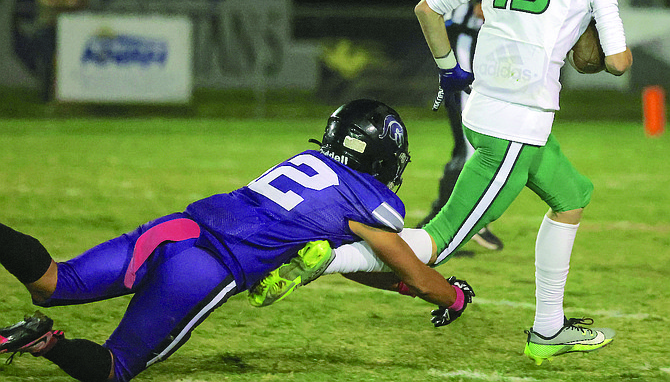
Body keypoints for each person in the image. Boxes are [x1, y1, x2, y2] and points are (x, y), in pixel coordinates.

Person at [251, 0, 633, 366]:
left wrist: (450, 70)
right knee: (439, 239)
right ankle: (325, 259)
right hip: (516, 121)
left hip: (487, 104)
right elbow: (616, 61)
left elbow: (428, 9)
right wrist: (587, 25)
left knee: (572, 196)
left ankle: (549, 326)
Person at [0, 99, 474, 382]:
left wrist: (405, 285)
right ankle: (43, 342)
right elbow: (405, 264)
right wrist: (452, 296)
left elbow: (349, 263)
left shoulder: (309, 164)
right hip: (207, 267)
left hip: (177, 229)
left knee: (54, 281)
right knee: (115, 366)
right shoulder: (366, 200)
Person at [417, 0, 536, 255]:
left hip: (491, 51)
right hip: (467, 48)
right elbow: (482, 3)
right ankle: (441, 223)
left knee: (487, 140)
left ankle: (462, 222)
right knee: (471, 143)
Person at [34, 0, 88, 102]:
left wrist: (76, 1)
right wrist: (66, 1)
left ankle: (67, 96)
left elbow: (83, 0)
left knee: (68, 62)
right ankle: (45, 97)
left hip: (66, 29)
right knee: (47, 63)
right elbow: (46, 0)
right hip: (47, 27)